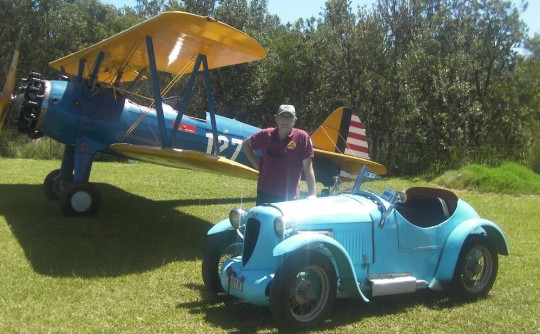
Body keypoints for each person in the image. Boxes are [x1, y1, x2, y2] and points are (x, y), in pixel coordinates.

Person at [242, 104, 317, 205]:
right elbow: (246, 144)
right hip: (264, 192)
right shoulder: (265, 134)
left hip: (289, 196)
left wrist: (312, 193)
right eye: (282, 116)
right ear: (276, 119)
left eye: (289, 117)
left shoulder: (302, 137)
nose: (285, 120)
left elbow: (308, 167)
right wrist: (258, 166)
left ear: (294, 120)